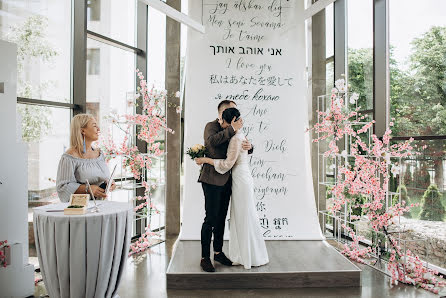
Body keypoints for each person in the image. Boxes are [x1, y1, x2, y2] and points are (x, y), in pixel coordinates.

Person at [196, 107, 269, 270]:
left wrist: (250, 147)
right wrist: (231, 129)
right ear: (220, 112)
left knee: (221, 218)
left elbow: (239, 148)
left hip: (229, 180)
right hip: (212, 179)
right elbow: (212, 142)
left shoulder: (234, 131)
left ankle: (218, 253)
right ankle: (204, 257)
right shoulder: (212, 126)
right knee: (210, 218)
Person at [56, 114, 115, 202]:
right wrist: (88, 188)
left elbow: (102, 177)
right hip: (81, 210)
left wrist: (110, 182)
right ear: (83, 131)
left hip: (101, 205)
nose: (98, 129)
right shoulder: (69, 157)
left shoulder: (99, 154)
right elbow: (63, 187)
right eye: (94, 125)